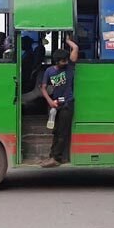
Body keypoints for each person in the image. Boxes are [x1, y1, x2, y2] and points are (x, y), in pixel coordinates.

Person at [39, 34, 79, 168]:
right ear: (57, 62)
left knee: (62, 132)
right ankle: (52, 156)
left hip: (67, 104)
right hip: (55, 105)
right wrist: (50, 101)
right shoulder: (49, 71)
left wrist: (68, 41)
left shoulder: (69, 68)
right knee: (55, 131)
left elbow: (76, 48)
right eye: (63, 61)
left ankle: (56, 158)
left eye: (66, 60)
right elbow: (43, 88)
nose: (66, 62)